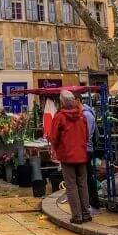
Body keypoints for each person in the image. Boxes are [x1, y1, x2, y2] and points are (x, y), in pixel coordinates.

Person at [49, 90, 90, 224]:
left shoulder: (60, 117)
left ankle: (77, 216)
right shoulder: (82, 116)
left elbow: (53, 137)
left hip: (67, 155)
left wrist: (55, 149)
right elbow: (87, 135)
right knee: (83, 184)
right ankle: (86, 213)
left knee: (71, 186)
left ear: (62, 102)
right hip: (81, 155)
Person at [80, 96, 100, 210]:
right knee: (87, 176)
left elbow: (86, 135)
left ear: (78, 101)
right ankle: (92, 203)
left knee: (87, 177)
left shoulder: (86, 115)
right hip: (86, 149)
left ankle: (94, 203)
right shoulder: (87, 113)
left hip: (86, 149)